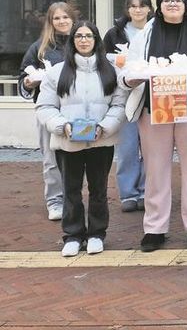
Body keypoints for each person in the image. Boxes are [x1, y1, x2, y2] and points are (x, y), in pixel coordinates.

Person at [118, 0, 187, 252]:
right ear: (159, 5)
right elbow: (128, 70)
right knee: (155, 170)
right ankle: (155, 228)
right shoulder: (146, 32)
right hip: (154, 110)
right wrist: (130, 79)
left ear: (186, 4)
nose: (172, 3)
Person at [36, 21, 127, 256]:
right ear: (72, 40)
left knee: (99, 189)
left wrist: (105, 127)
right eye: (79, 36)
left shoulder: (111, 71)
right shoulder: (57, 73)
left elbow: (119, 105)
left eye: (88, 36)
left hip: (100, 141)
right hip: (67, 142)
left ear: (96, 40)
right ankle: (73, 235)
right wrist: (61, 126)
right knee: (71, 189)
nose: (84, 40)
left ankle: (97, 234)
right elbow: (45, 107)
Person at [20, 1, 77, 221]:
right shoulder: (39, 48)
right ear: (50, 22)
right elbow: (23, 80)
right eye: (57, 18)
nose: (62, 21)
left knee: (77, 157)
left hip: (77, 109)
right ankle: (55, 201)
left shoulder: (83, 42)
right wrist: (29, 83)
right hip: (48, 110)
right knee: (51, 158)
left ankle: (73, 199)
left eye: (65, 17)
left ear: (73, 19)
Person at [103, 0, 152, 213]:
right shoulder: (114, 34)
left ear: (149, 8)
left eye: (142, 5)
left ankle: (145, 191)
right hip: (124, 96)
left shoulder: (157, 30)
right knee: (127, 147)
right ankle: (128, 194)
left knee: (151, 148)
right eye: (133, 6)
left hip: (152, 97)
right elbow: (103, 63)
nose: (137, 10)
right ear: (127, 9)